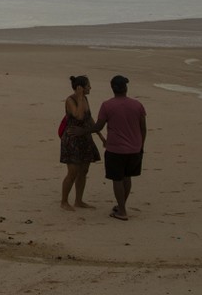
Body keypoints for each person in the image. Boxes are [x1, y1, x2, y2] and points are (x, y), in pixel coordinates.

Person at [89, 74, 147, 220]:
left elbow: (99, 126)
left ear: (112, 89)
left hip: (115, 149)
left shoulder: (107, 105)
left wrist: (83, 130)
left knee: (117, 179)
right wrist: (141, 145)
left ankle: (121, 211)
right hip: (134, 148)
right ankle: (121, 206)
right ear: (125, 88)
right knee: (127, 177)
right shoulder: (137, 105)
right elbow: (143, 128)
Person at [58, 75, 103, 211]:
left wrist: (101, 137)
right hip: (72, 139)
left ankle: (79, 200)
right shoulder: (71, 100)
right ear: (80, 88)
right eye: (88, 85)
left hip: (85, 137)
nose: (90, 88)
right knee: (72, 172)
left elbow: (89, 119)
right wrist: (79, 97)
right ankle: (64, 201)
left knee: (84, 170)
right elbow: (79, 115)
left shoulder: (85, 99)